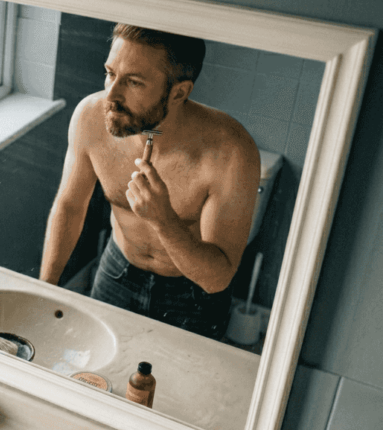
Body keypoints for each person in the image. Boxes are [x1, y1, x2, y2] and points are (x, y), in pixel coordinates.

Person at [39, 24, 260, 340]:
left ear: (179, 92)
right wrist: (46, 287)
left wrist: (165, 220)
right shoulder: (89, 116)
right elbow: (70, 206)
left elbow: (217, 279)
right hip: (117, 271)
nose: (111, 95)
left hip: (193, 294)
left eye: (133, 82)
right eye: (110, 73)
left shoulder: (231, 151)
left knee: (175, 388)